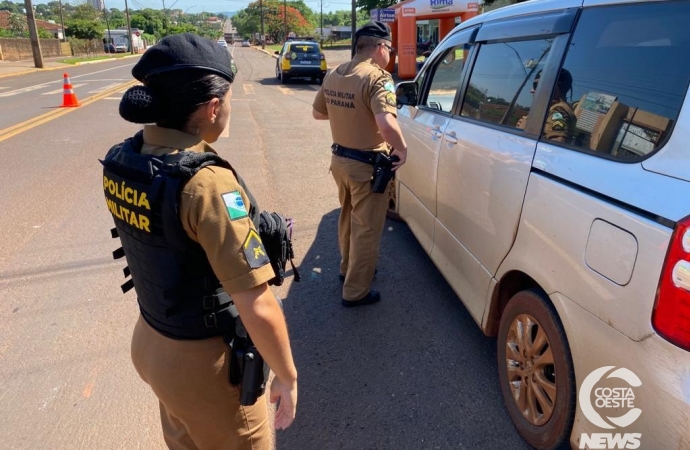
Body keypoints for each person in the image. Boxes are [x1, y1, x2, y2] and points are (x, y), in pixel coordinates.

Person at [101, 33, 297, 449]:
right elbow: (257, 302)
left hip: (152, 342)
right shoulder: (205, 184)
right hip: (203, 366)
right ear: (212, 108)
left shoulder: (124, 158)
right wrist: (287, 375)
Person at [312, 21, 408, 307]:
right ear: (380, 47)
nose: (389, 55)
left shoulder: (335, 73)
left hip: (340, 161)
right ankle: (356, 291)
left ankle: (347, 270)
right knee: (367, 229)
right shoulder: (378, 78)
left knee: (347, 218)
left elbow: (318, 114)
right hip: (367, 167)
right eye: (389, 49)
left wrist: (348, 114)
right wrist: (402, 149)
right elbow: (386, 123)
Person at [516, 69, 575, 143]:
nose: (531, 90)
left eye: (536, 86)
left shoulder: (558, 110)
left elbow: (555, 146)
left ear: (554, 88)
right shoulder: (550, 108)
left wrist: (526, 131)